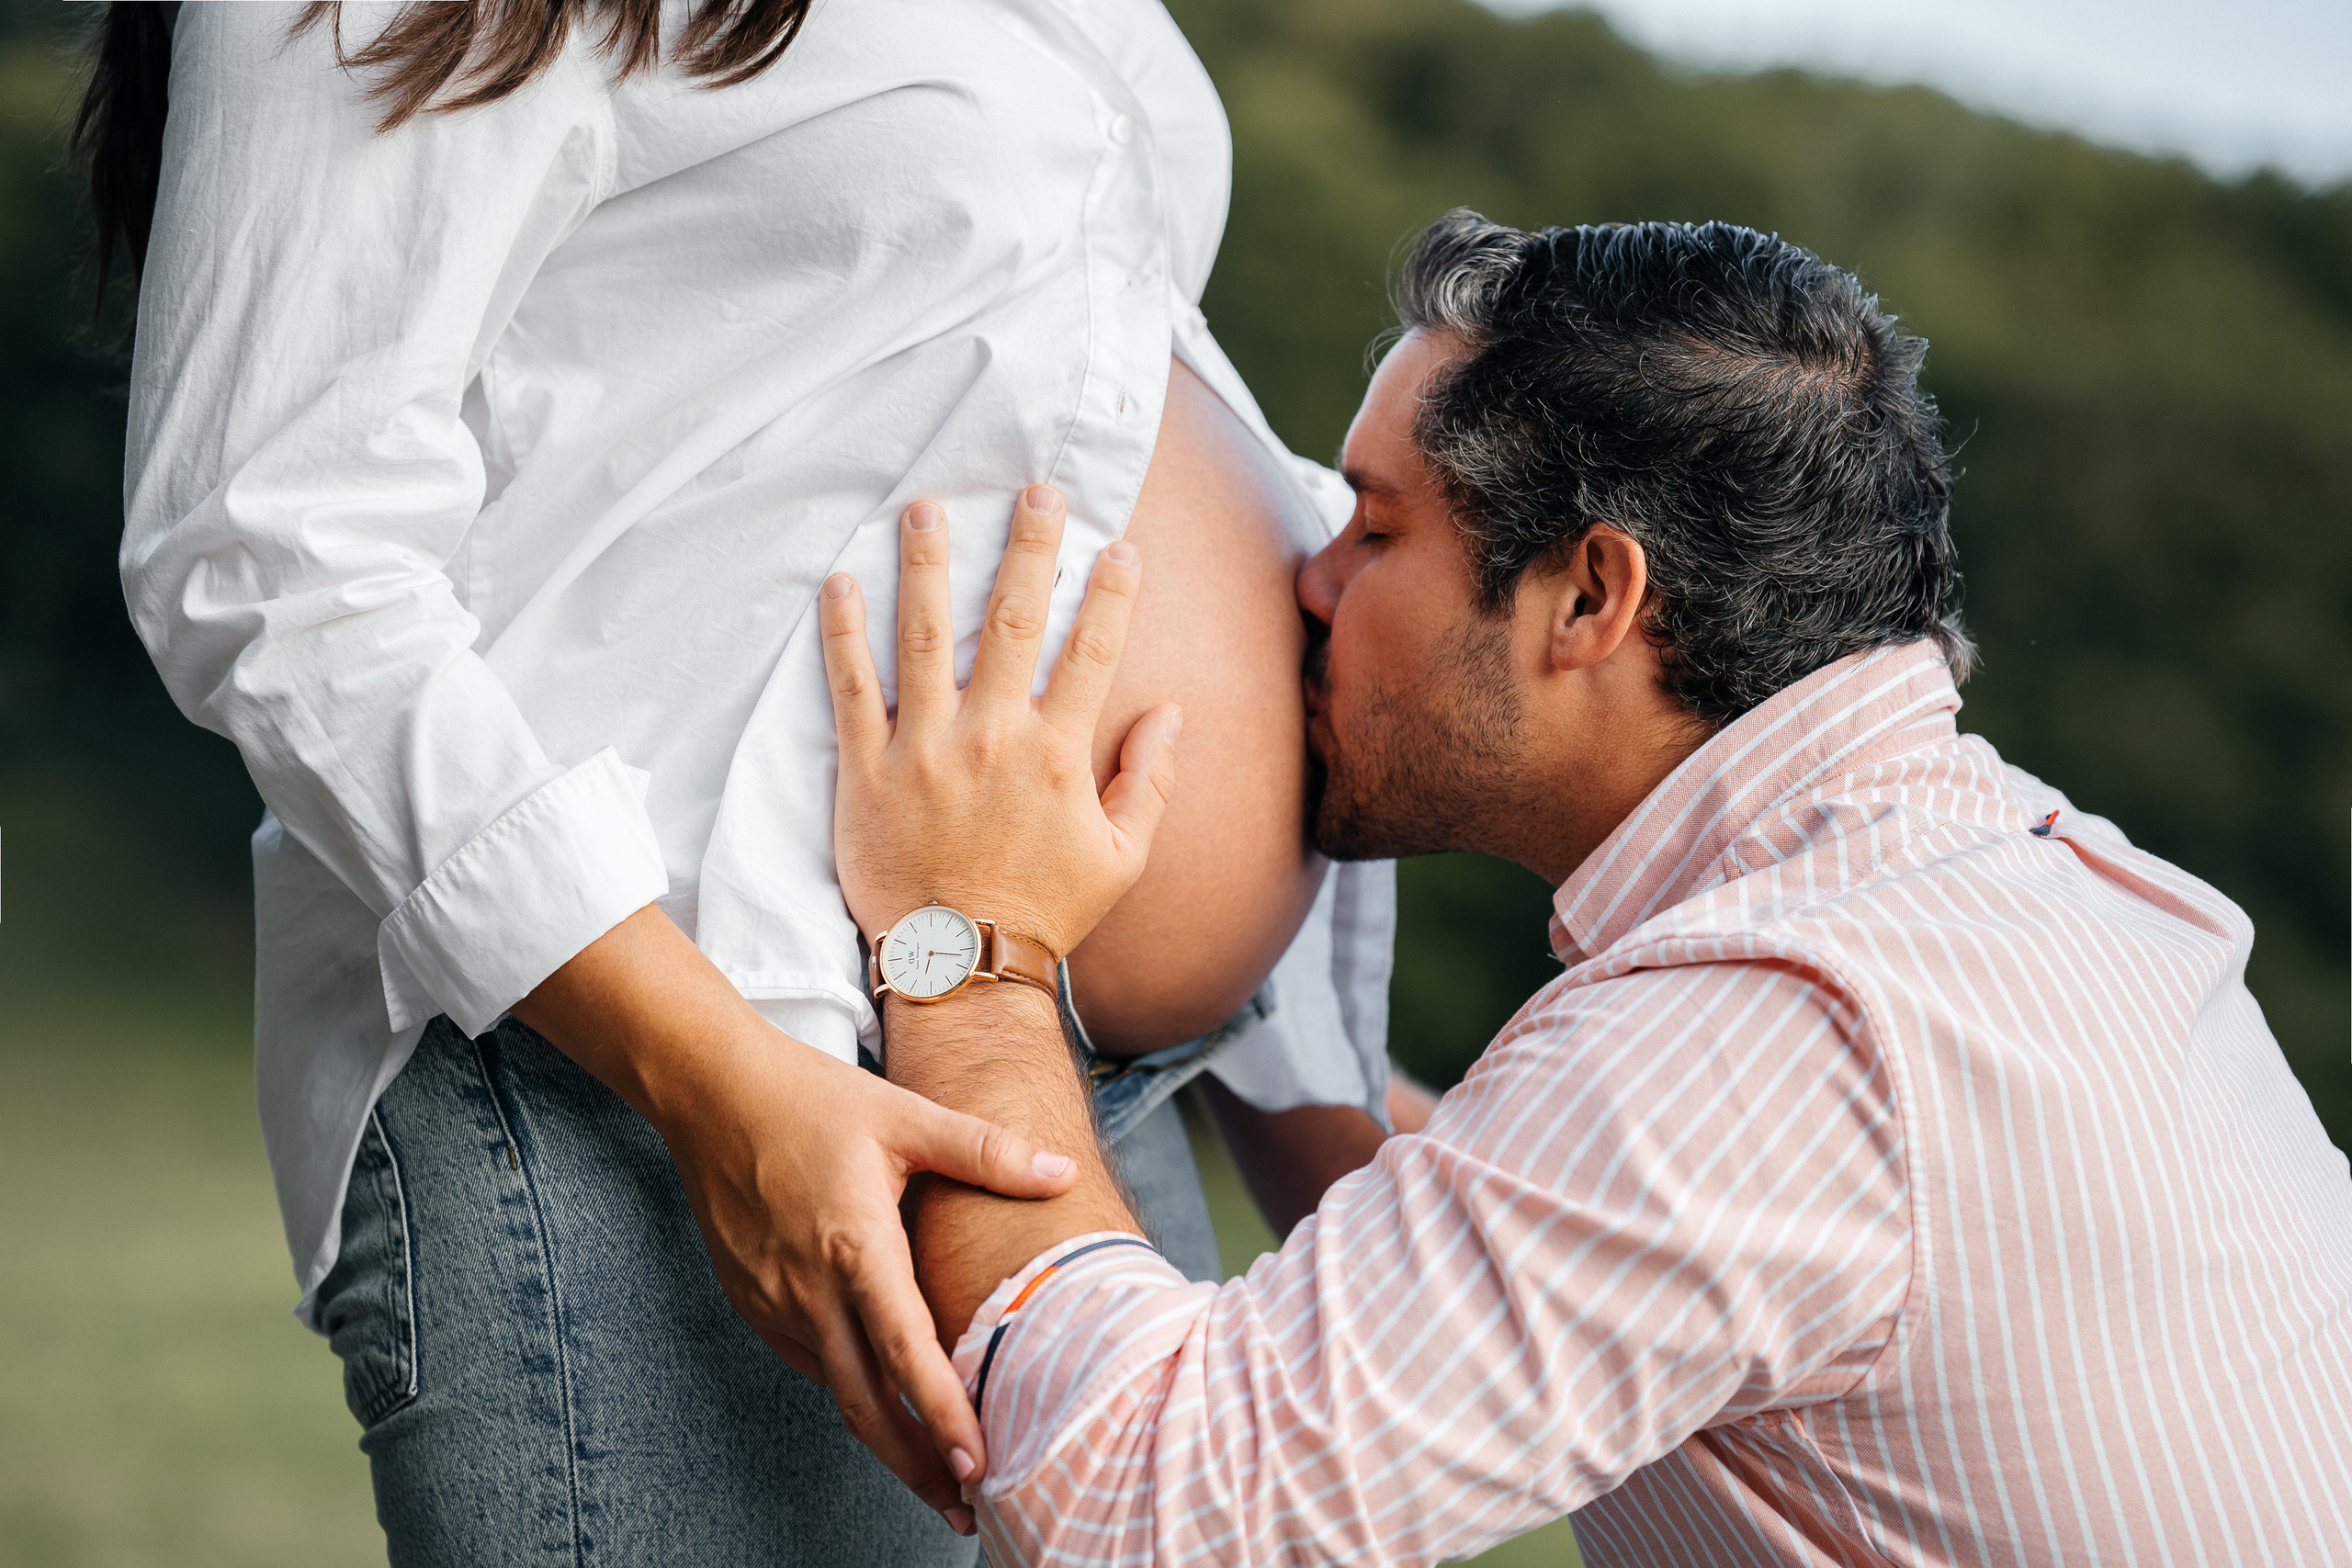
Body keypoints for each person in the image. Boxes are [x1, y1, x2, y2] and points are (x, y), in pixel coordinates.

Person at [823, 211, 2352, 1564]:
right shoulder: (2046, 885)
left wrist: (970, 941)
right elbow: (1527, 1259)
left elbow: (1143, 1515)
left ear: (1590, 597)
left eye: (1377, 527)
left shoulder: (1787, 1023)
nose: (1308, 576)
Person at [96, 0, 1402, 1559]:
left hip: (1049, 1081)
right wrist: (725, 1093)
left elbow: (1054, 400)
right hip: (676, 1093)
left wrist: (1309, 1080)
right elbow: (270, 552)